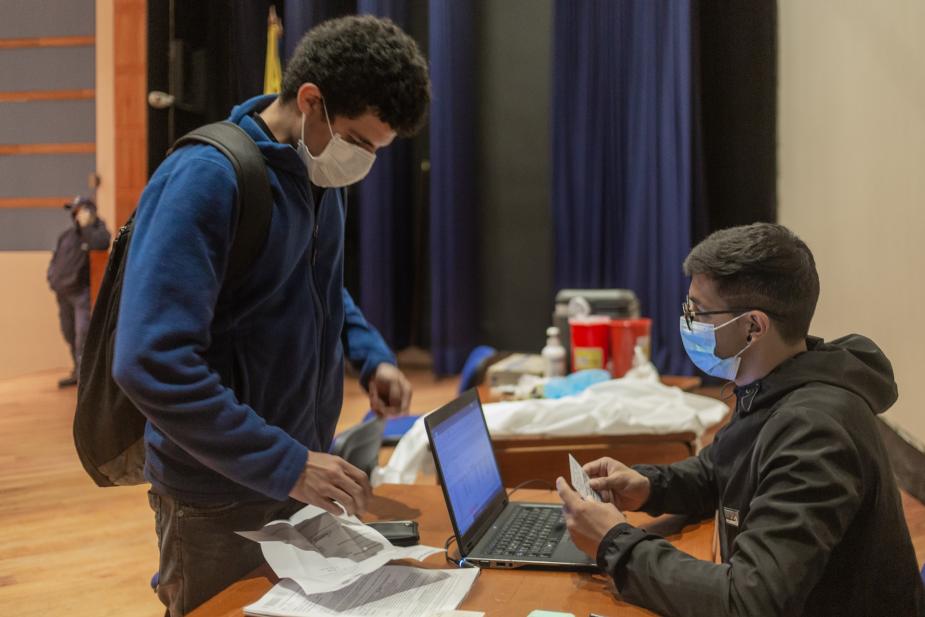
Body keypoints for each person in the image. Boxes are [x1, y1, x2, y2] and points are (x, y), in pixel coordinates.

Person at [111, 16, 430, 616]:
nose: (363, 161)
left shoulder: (318, 170)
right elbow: (149, 361)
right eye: (359, 142)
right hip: (217, 495)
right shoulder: (206, 178)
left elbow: (314, 285)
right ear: (310, 101)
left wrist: (370, 355)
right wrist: (287, 463)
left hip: (294, 477)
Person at [557, 223, 925, 617]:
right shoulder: (772, 383)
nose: (688, 322)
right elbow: (721, 469)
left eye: (698, 312)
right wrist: (648, 487)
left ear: (753, 327)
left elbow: (750, 601)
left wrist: (613, 542)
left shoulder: (816, 431)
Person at [47, 196, 111, 387]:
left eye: (79, 210)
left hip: (81, 293)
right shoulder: (66, 235)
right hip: (62, 293)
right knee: (68, 332)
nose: (75, 214)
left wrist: (88, 226)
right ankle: (77, 370)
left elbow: (101, 243)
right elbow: (55, 258)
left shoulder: (96, 232)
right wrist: (52, 278)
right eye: (74, 211)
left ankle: (86, 376)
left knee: (83, 333)